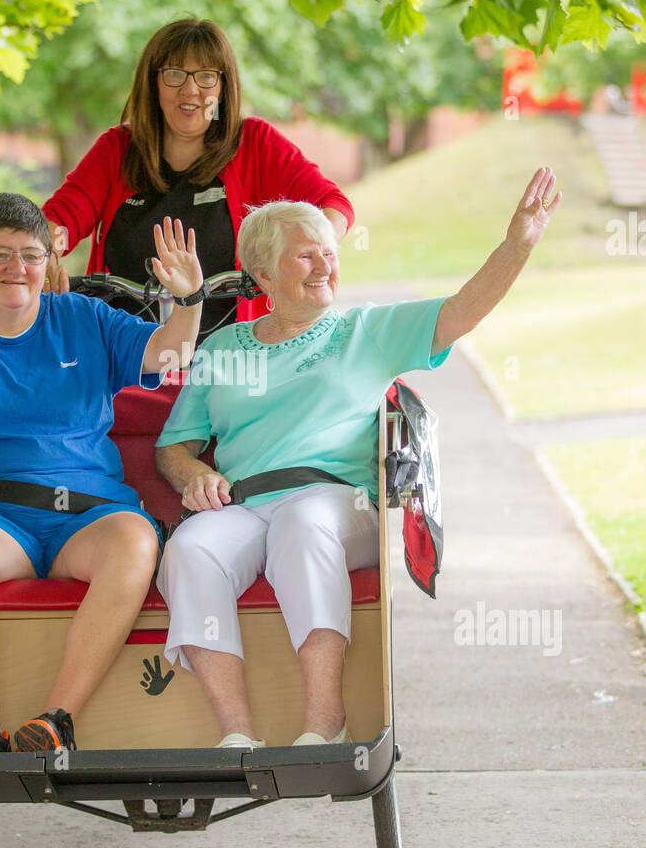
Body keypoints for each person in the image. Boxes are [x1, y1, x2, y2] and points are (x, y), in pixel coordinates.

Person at [155, 169, 561, 748]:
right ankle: (236, 736)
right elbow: (175, 444)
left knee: (302, 523)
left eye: (329, 252)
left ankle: (324, 725)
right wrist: (195, 474)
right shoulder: (223, 348)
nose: (324, 265)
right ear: (263, 272)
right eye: (304, 256)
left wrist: (516, 244)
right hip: (245, 506)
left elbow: (462, 310)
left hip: (340, 503)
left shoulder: (363, 330)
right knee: (190, 548)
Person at [0, 192, 204, 755]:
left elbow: (170, 354)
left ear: (49, 263)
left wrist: (187, 299)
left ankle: (55, 720)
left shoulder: (83, 318)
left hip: (87, 516)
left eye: (32, 254)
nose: (17, 267)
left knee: (137, 542)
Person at [41, 17, 356, 337]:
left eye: (206, 76)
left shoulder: (255, 144)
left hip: (230, 360)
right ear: (153, 83)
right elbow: (60, 220)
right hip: (126, 357)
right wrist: (45, 253)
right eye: (174, 74)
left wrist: (312, 251)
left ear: (222, 86)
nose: (190, 89)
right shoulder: (117, 149)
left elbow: (333, 205)